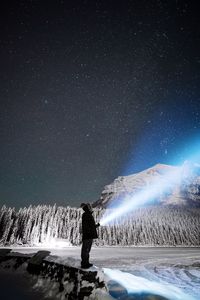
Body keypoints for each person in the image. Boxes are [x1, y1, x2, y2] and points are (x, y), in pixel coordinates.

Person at [80, 203, 100, 268]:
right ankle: (84, 264)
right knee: (85, 250)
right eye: (90, 207)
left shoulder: (88, 215)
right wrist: (89, 232)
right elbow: (86, 226)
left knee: (87, 250)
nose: (91, 208)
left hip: (89, 236)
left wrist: (96, 225)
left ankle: (86, 262)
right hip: (87, 236)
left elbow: (91, 226)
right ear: (88, 208)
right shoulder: (86, 215)